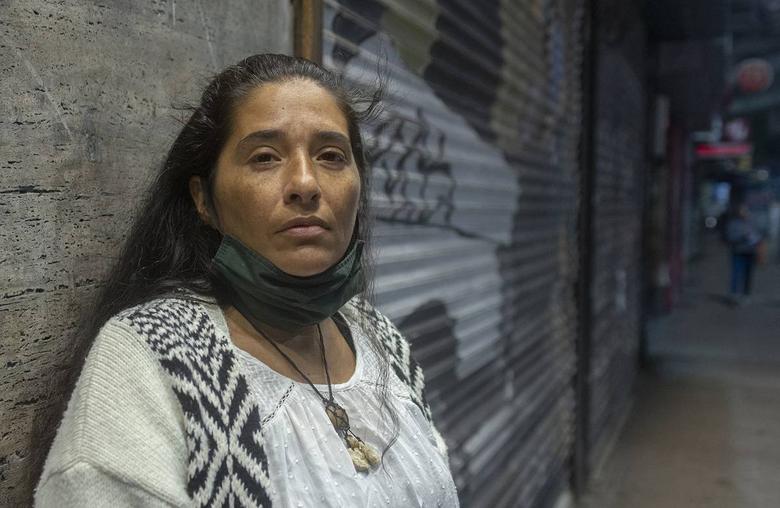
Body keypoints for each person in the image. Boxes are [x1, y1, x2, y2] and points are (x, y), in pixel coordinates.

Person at [35, 54, 458, 507]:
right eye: (265, 157)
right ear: (203, 198)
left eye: (331, 156)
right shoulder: (152, 355)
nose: (305, 184)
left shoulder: (377, 338)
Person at [725, 203, 762, 303]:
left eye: (745, 211)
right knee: (736, 273)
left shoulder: (752, 223)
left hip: (750, 252)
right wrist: (742, 237)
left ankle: (746, 294)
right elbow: (730, 237)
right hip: (738, 252)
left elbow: (758, 235)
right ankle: (734, 294)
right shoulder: (733, 223)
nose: (744, 213)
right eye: (742, 211)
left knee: (748, 275)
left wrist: (756, 240)